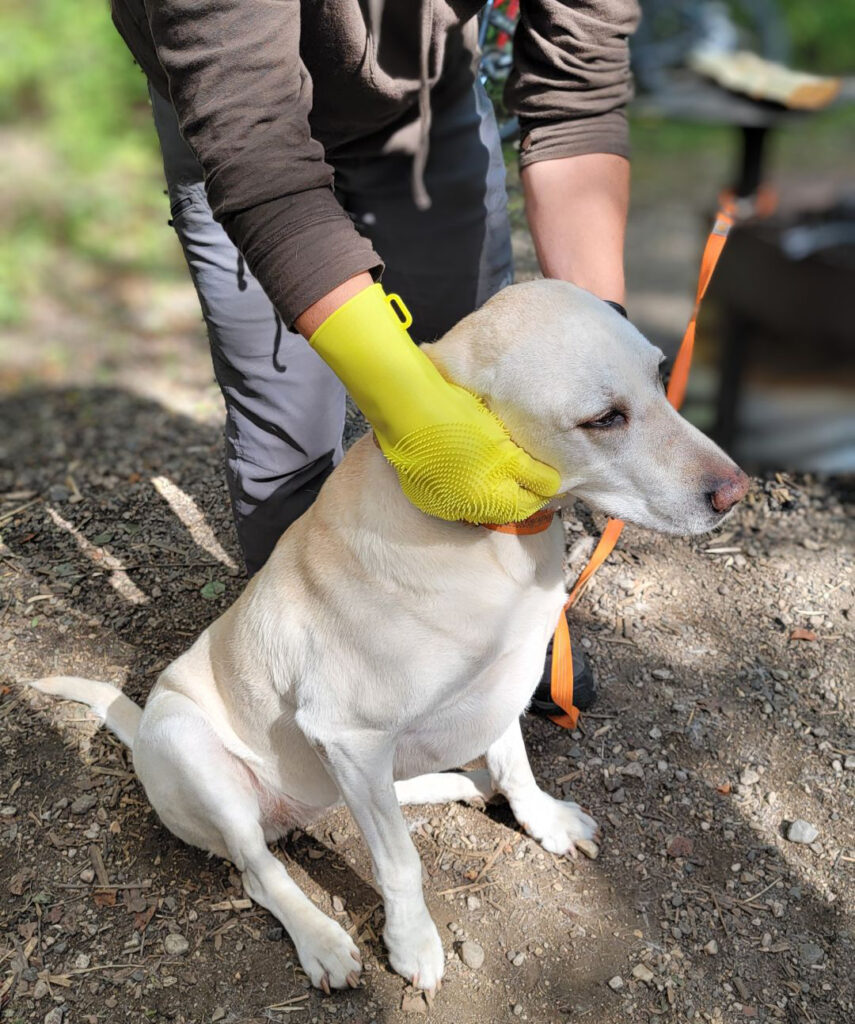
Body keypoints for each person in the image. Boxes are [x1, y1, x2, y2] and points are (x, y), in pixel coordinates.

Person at [110, 0, 640, 712]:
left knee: (490, 395)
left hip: (424, 101)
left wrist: (605, 350)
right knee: (287, 435)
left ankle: (489, 653)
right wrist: (411, 411)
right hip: (238, 119)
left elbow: (578, 93)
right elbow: (255, 152)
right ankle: (322, 677)